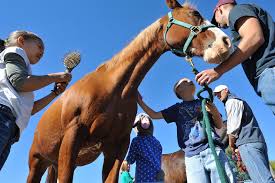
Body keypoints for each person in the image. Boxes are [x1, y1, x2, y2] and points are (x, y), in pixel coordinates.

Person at [137, 78, 236, 183]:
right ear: (178, 89)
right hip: (191, 156)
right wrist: (139, 100)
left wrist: (214, 112)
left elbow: (219, 125)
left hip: (212, 150)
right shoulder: (176, 109)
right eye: (185, 81)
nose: (190, 80)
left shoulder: (204, 103)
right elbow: (154, 115)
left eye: (189, 80)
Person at [0, 30, 72, 170]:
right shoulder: (15, 51)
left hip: (10, 124)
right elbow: (20, 82)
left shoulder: (21, 68)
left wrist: (54, 93)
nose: (42, 52)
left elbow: (29, 110)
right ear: (21, 41)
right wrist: (55, 77)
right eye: (39, 46)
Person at [195, 0, 275, 115]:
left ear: (219, 10)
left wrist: (218, 71)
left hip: (269, 72)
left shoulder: (237, 11)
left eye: (216, 21)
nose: (219, 25)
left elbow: (254, 37)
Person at [213, 84, 275, 183]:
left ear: (226, 90)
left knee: (262, 180)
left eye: (219, 93)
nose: (218, 96)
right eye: (216, 95)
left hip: (247, 144)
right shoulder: (239, 100)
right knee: (266, 177)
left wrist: (232, 145)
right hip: (258, 141)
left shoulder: (231, 101)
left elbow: (233, 129)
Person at [125, 113, 163, 183]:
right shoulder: (157, 142)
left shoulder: (136, 140)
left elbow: (130, 159)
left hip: (144, 177)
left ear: (137, 126)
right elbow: (160, 159)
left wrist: (125, 162)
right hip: (158, 176)